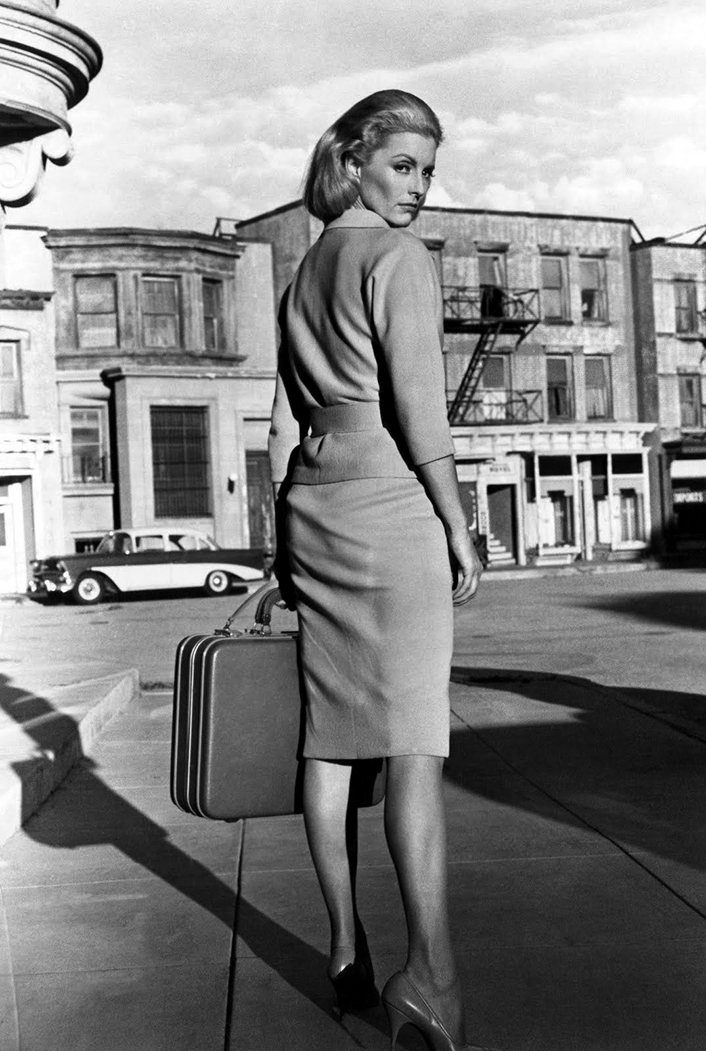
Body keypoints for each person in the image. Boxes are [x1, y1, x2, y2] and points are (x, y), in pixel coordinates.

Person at [268, 89, 494, 1051]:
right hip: (392, 504)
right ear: (353, 160)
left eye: (428, 170)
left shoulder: (305, 271)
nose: (419, 187)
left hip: (315, 504)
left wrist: (280, 540)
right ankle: (431, 974)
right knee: (412, 746)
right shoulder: (398, 258)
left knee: (329, 740)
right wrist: (458, 524)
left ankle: (343, 945)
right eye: (403, 165)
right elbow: (419, 411)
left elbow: (285, 422)